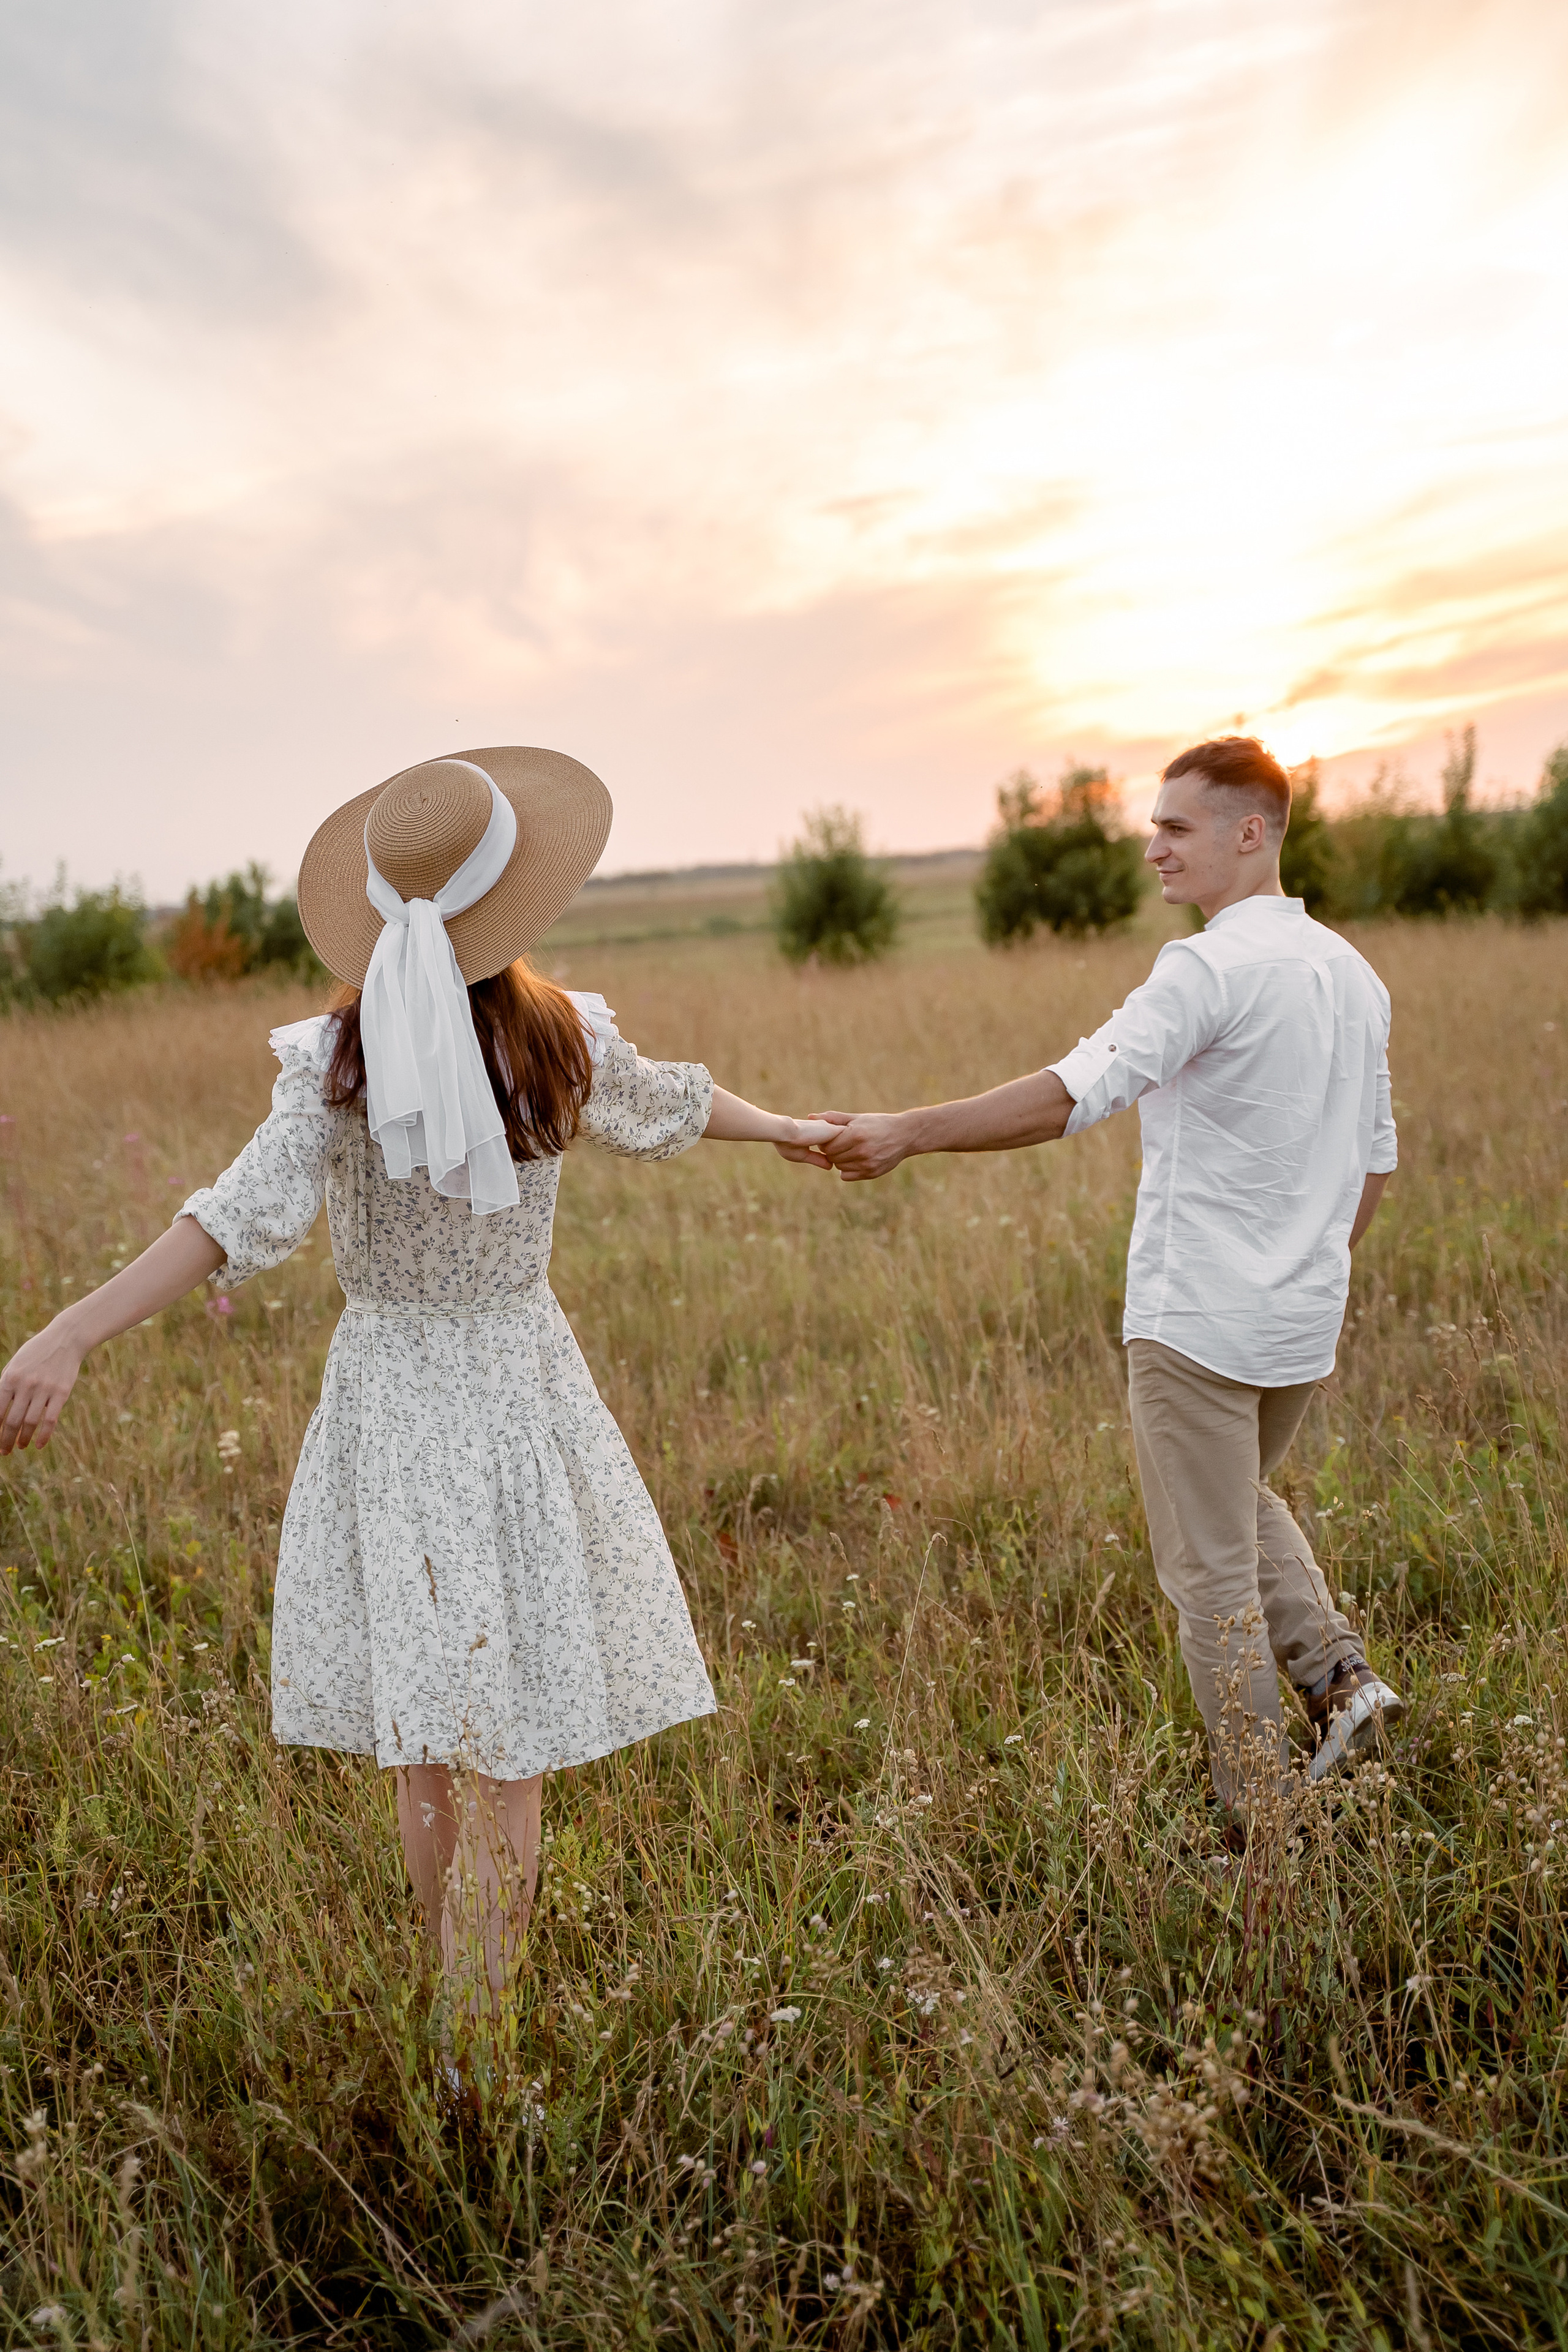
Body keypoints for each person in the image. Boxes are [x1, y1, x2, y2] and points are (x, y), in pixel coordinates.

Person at [0, 748, 837, 2060]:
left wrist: (71, 1327)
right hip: (511, 1390)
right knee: (508, 1742)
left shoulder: (340, 1052)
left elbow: (229, 1218)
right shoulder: (557, 1034)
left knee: (429, 1737)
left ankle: (462, 2012)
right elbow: (679, 1103)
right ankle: (477, 2022)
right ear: (518, 903)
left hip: (394, 1400)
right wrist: (793, 1127)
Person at [786, 735, 1404, 1814]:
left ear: (1249, 834)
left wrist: (907, 1133)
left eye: (1175, 827)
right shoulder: (1352, 973)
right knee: (1230, 1504)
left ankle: (1263, 1833)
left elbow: (1075, 1092)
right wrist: (1307, 1268)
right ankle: (1340, 1676)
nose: (1151, 846)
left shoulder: (1206, 968)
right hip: (1300, 1326)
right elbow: (1377, 1163)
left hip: (1197, 1326)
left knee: (1210, 1580)